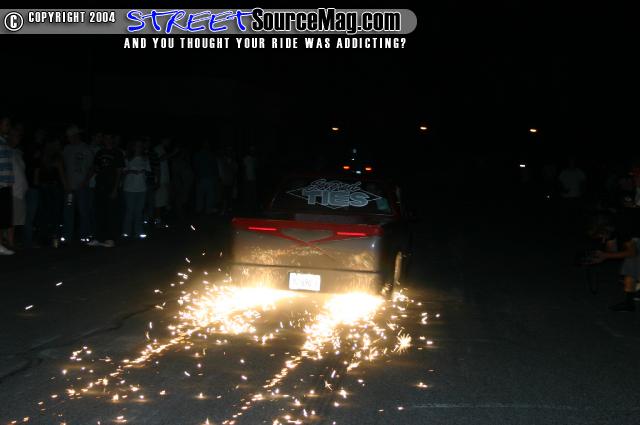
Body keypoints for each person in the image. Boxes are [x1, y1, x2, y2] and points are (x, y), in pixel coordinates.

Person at [590, 179, 640, 312]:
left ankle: (629, 303)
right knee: (630, 268)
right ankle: (631, 300)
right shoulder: (614, 225)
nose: (601, 238)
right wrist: (605, 251)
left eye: (601, 234)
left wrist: (605, 256)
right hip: (634, 237)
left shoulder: (623, 225)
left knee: (630, 267)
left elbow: (632, 252)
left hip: (636, 238)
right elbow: (613, 250)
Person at [88, 135, 124, 247]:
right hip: (100, 185)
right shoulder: (99, 153)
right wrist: (86, 180)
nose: (107, 140)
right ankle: (99, 237)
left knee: (111, 213)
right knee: (99, 212)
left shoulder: (117, 153)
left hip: (111, 186)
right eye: (106, 138)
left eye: (109, 138)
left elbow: (119, 172)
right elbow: (95, 168)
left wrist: (115, 189)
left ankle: (110, 238)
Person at [62, 124, 94, 242]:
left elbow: (92, 168)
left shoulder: (86, 149)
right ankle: (67, 236)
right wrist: (65, 183)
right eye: (68, 137)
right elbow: (63, 167)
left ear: (76, 135)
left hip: (82, 187)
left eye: (70, 136)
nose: (69, 138)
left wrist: (85, 182)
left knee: (83, 211)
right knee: (68, 211)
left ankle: (84, 235)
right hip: (69, 188)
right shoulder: (66, 149)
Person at [38, 138, 66, 245]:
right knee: (55, 213)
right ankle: (54, 237)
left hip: (45, 187)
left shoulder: (44, 156)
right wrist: (66, 186)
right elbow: (61, 173)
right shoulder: (56, 156)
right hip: (54, 187)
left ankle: (45, 237)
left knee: (47, 212)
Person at [122, 140, 151, 238]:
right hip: (129, 188)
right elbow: (122, 172)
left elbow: (148, 171)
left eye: (140, 145)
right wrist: (131, 171)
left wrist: (144, 172)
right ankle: (126, 231)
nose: (138, 147)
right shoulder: (127, 158)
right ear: (133, 147)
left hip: (142, 188)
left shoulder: (145, 159)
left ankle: (139, 231)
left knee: (139, 211)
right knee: (130, 211)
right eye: (136, 145)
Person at [8, 127, 28, 248]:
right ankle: (9, 242)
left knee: (15, 219)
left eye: (19, 136)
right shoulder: (6, 150)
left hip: (20, 190)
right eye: (16, 136)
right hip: (12, 189)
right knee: (10, 218)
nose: (18, 138)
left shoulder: (18, 152)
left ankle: (9, 241)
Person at [0, 116, 15, 255]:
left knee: (4, 216)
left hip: (6, 183)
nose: (8, 127)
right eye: (6, 124)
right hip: (1, 183)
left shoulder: (5, 142)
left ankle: (1, 245)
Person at [193, 140, 219, 215]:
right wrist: (216, 177)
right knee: (209, 195)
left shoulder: (198, 155)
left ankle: (200, 210)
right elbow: (215, 167)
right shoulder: (210, 155)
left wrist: (197, 176)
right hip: (208, 178)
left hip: (202, 178)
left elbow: (195, 167)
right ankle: (207, 211)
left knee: (200, 195)